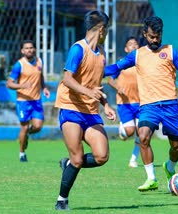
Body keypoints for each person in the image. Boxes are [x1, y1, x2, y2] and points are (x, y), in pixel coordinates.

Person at [105, 16, 178, 191]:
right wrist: (96, 72)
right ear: (144, 34)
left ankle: (169, 166)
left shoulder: (170, 51)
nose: (155, 40)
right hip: (148, 106)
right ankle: (151, 178)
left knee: (176, 146)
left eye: (158, 36)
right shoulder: (137, 54)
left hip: (170, 106)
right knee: (144, 136)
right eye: (152, 36)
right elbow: (115, 68)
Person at [54, 10, 116, 210]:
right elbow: (67, 78)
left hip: (90, 112)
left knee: (102, 156)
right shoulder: (77, 49)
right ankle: (62, 200)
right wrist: (88, 92)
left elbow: (96, 86)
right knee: (78, 158)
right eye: (107, 31)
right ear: (102, 29)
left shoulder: (101, 55)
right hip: (70, 108)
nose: (107, 35)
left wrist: (106, 105)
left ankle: (69, 165)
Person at [6, 40, 50, 162]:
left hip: (36, 100)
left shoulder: (39, 61)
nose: (29, 50)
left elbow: (40, 76)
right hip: (23, 101)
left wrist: (44, 87)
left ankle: (25, 136)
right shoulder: (19, 65)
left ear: (34, 49)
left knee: (38, 126)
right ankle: (22, 153)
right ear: (22, 51)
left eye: (31, 48)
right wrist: (22, 85)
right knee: (24, 128)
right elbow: (9, 84)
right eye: (26, 48)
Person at [107, 36, 140, 168]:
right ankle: (123, 129)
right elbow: (109, 79)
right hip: (124, 103)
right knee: (130, 132)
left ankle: (133, 159)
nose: (134, 46)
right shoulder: (122, 63)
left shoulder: (142, 64)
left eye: (136, 44)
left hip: (141, 102)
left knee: (143, 132)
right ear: (126, 49)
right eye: (131, 44)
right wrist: (117, 87)